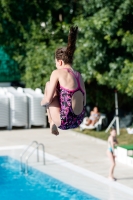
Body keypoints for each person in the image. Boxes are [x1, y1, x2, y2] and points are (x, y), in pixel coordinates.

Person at [41, 26, 86, 136]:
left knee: (48, 85)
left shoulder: (57, 73)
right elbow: (84, 101)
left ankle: (51, 122)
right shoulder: (79, 76)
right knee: (63, 92)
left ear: (60, 62)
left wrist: (42, 103)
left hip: (64, 121)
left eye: (56, 63)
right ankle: (53, 123)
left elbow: (47, 100)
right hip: (79, 120)